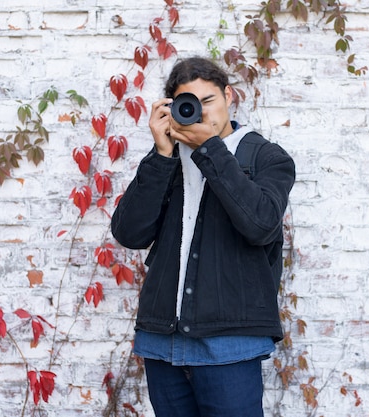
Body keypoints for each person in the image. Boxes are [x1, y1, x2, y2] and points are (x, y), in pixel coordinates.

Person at [111, 56, 296, 417]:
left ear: (229, 95)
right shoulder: (167, 158)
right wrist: (162, 155)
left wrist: (209, 148)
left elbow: (260, 225)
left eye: (208, 101)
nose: (201, 112)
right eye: (189, 104)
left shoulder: (268, 157)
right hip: (163, 342)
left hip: (230, 341)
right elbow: (129, 232)